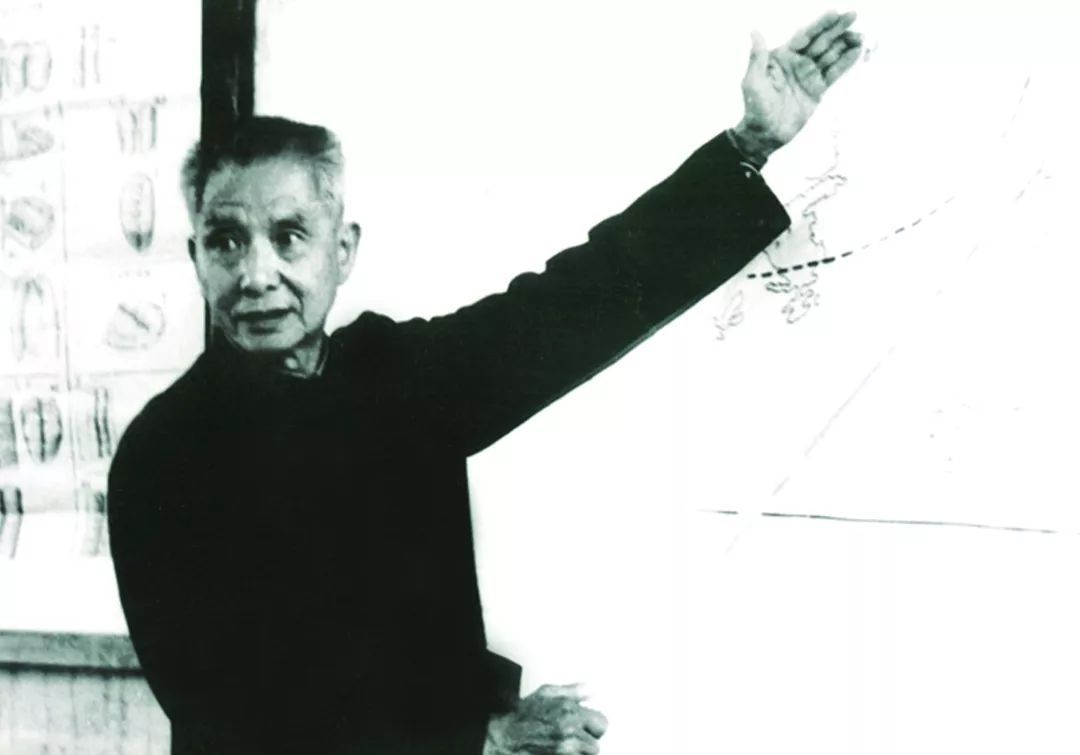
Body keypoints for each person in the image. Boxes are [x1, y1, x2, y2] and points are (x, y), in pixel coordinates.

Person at [107, 11, 861, 755]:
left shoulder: (392, 379)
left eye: (288, 236)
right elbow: (233, 707)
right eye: (226, 240)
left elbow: (573, 304)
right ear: (195, 258)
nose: (256, 274)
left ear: (343, 251)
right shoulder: (164, 454)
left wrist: (749, 144)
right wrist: (478, 737)